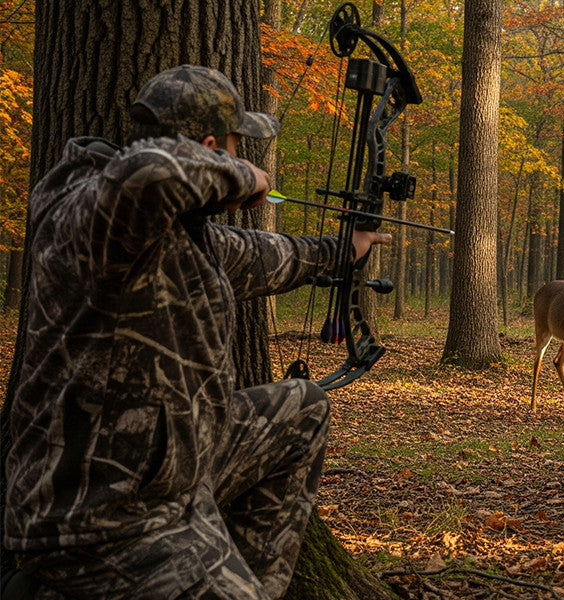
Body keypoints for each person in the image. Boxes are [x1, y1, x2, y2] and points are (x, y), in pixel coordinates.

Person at [2, 64, 389, 599]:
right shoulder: (93, 214)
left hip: (178, 475)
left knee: (303, 408)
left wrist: (348, 247)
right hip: (101, 521)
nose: (244, 158)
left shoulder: (190, 238)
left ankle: (249, 586)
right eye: (235, 147)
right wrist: (249, 178)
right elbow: (149, 174)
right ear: (210, 150)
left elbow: (268, 257)